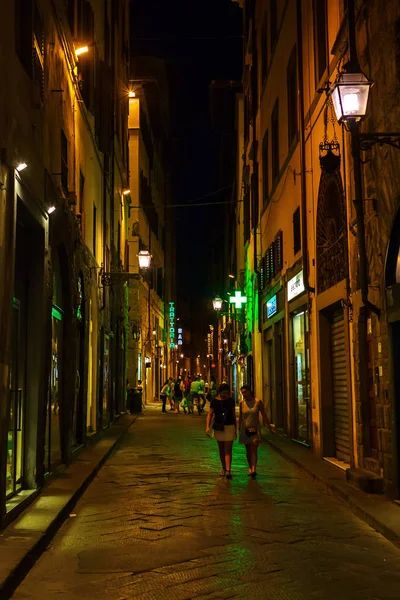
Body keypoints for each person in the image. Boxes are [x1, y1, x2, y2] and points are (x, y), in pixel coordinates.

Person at [238, 385, 274, 478]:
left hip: (255, 429)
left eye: (245, 392)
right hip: (245, 429)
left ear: (250, 391)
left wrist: (269, 427)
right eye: (242, 393)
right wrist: (239, 429)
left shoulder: (258, 402)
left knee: (253, 449)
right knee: (248, 450)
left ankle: (254, 469)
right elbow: (240, 417)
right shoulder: (242, 403)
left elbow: (264, 415)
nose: (244, 394)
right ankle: (250, 467)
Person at [206, 383, 236, 479]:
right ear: (220, 392)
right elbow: (210, 414)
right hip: (218, 427)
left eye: (227, 393)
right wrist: (207, 427)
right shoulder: (214, 401)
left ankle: (228, 470)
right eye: (223, 393)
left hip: (229, 426)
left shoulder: (231, 401)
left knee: (228, 450)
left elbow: (233, 415)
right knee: (221, 449)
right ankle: (223, 468)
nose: (225, 395)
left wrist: (236, 427)